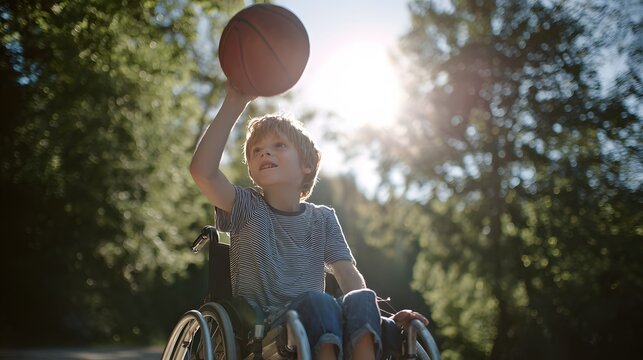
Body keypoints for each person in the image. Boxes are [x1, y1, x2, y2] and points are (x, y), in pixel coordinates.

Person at [189, 84, 428, 360]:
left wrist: (376, 314)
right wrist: (234, 101)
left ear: (307, 166)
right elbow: (202, 172)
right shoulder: (245, 206)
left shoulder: (323, 218)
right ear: (253, 172)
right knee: (319, 302)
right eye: (256, 150)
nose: (265, 153)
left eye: (279, 146)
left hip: (321, 319)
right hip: (265, 326)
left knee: (360, 298)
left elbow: (348, 276)